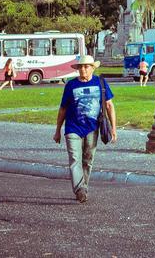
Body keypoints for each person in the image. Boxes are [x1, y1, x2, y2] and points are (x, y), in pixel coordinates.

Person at [53, 55, 116, 204]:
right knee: (75, 159)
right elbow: (63, 109)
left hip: (92, 128)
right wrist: (57, 130)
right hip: (73, 128)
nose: (83, 69)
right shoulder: (70, 85)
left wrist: (113, 128)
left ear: (93, 68)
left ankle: (83, 188)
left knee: (88, 160)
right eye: (80, 67)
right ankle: (79, 189)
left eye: (86, 66)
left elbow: (109, 106)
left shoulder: (100, 83)